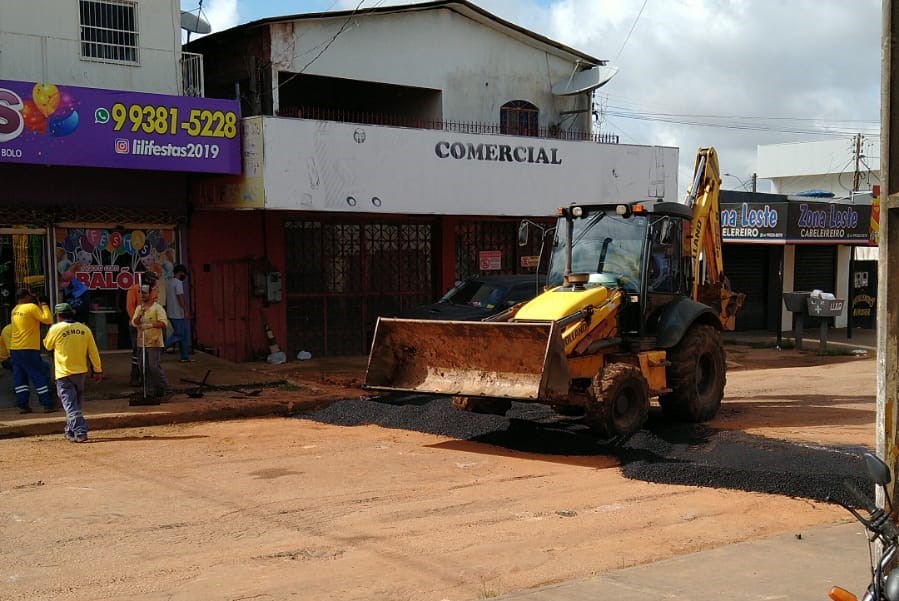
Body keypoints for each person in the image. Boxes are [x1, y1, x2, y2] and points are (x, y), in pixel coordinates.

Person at [43, 303, 102, 443]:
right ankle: (69, 431)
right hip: (80, 372)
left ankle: (80, 432)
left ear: (59, 316)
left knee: (70, 405)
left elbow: (47, 345)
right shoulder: (84, 329)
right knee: (75, 404)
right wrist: (97, 369)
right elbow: (93, 351)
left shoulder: (56, 328)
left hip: (63, 373)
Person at [9, 288, 55, 413]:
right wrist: (44, 305)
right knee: (38, 375)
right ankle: (47, 404)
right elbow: (48, 319)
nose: (32, 298)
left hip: (15, 349)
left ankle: (22, 405)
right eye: (30, 296)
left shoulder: (14, 310)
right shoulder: (31, 307)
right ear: (25, 297)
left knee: (20, 378)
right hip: (28, 348)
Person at [131, 284, 173, 399]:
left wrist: (150, 325)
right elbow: (134, 323)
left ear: (150, 293)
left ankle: (167, 389)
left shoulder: (157, 308)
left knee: (154, 367)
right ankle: (150, 391)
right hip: (141, 342)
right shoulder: (139, 308)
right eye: (140, 293)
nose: (142, 295)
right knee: (143, 368)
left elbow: (164, 323)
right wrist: (140, 316)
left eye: (144, 293)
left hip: (154, 342)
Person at [126, 271, 159, 387]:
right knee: (137, 351)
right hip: (137, 325)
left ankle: (147, 378)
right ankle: (134, 376)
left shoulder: (152, 291)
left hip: (150, 325)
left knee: (149, 351)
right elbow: (130, 308)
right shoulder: (134, 289)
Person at [164, 264, 193, 362]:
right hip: (178, 313)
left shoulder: (168, 282)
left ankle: (185, 357)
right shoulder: (178, 282)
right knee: (179, 334)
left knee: (184, 334)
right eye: (184, 274)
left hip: (171, 312)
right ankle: (159, 350)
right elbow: (180, 297)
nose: (184, 276)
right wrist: (186, 311)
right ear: (180, 273)